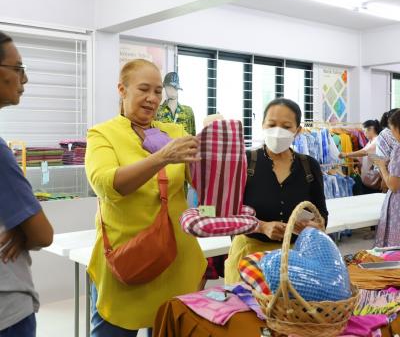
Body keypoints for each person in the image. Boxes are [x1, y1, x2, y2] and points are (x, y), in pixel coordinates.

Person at [85, 59, 207, 336]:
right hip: (126, 261)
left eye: (157, 91)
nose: (152, 98)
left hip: (176, 261)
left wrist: (217, 150)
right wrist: (162, 157)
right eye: (144, 89)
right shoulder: (102, 134)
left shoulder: (175, 132)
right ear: (122, 89)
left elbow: (202, 183)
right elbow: (105, 184)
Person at [224, 98, 328, 283]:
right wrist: (262, 226)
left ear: (298, 131)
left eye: (286, 126)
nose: (278, 131)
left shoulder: (309, 166)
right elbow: (227, 213)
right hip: (249, 258)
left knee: (289, 302)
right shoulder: (244, 162)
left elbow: (321, 214)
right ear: (263, 125)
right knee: (247, 302)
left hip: (295, 259)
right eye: (271, 125)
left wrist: (315, 227)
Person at [0, 31, 53, 337]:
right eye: (18, 68)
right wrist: (26, 230)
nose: (25, 79)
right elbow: (43, 234)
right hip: (7, 310)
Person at [374, 109, 400, 247]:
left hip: (398, 205)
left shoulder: (398, 150)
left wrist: (381, 166)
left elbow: (394, 185)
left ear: (396, 128)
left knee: (394, 249)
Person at [339, 119, 381, 193]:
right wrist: (347, 156)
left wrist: (346, 154)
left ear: (371, 129)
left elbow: (364, 152)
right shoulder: (370, 142)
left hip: (373, 180)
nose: (364, 133)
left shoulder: (377, 141)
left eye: (364, 131)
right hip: (368, 180)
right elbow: (362, 156)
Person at [156, 72, 196, 136]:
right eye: (168, 87)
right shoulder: (157, 111)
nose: (171, 90)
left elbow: (192, 136)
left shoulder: (188, 112)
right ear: (165, 88)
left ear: (178, 88)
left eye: (174, 87)